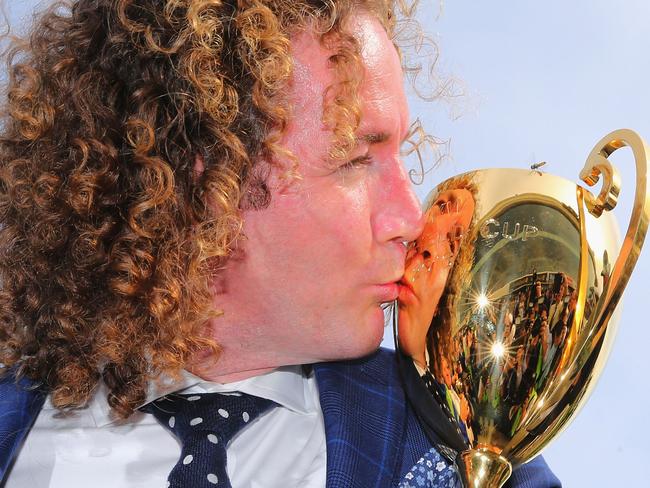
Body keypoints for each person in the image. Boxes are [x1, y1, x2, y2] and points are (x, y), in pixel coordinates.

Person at [0, 1, 561, 487]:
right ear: (202, 180)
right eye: (356, 160)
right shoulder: (14, 425)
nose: (410, 218)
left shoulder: (462, 449)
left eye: (399, 154)